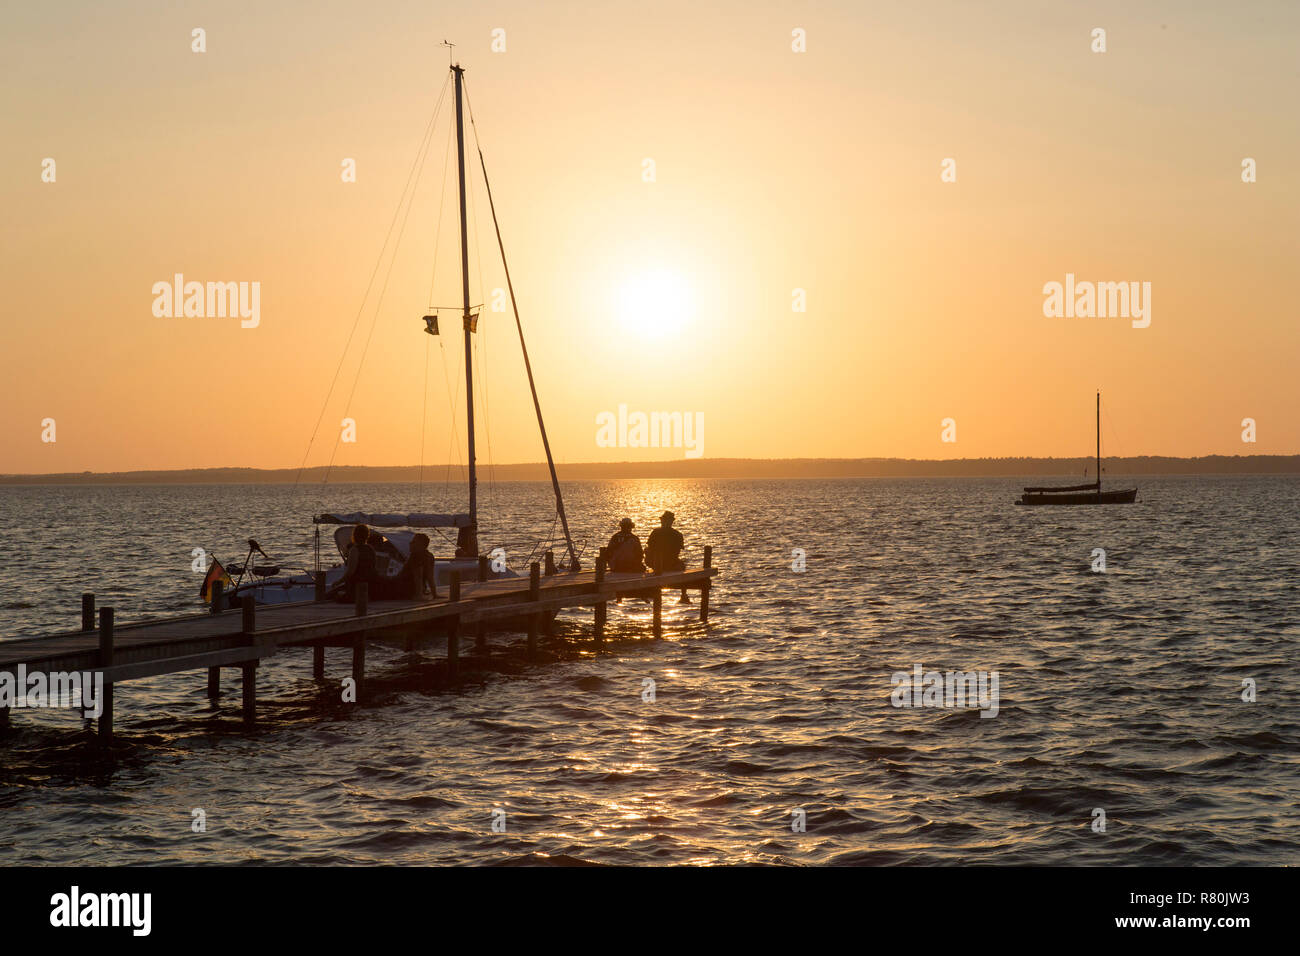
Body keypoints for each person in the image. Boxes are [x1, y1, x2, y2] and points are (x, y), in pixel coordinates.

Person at [645, 511, 690, 603]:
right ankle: (684, 594)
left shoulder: (655, 532)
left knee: (646, 551)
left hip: (655, 563)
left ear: (662, 521)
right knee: (683, 567)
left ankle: (648, 591)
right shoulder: (677, 534)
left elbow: (649, 548)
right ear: (671, 522)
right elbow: (678, 551)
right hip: (671, 564)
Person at [331, 524, 380, 602]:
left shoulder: (354, 550)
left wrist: (338, 582)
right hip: (369, 585)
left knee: (331, 595)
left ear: (354, 535)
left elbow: (350, 572)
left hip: (356, 585)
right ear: (367, 536)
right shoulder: (371, 549)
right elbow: (373, 568)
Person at [394, 533, 438, 600]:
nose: (410, 543)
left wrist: (419, 595)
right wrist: (435, 594)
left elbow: (418, 576)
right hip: (409, 589)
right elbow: (430, 577)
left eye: (414, 542)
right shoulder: (429, 555)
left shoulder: (416, 556)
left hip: (403, 590)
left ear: (421, 545)